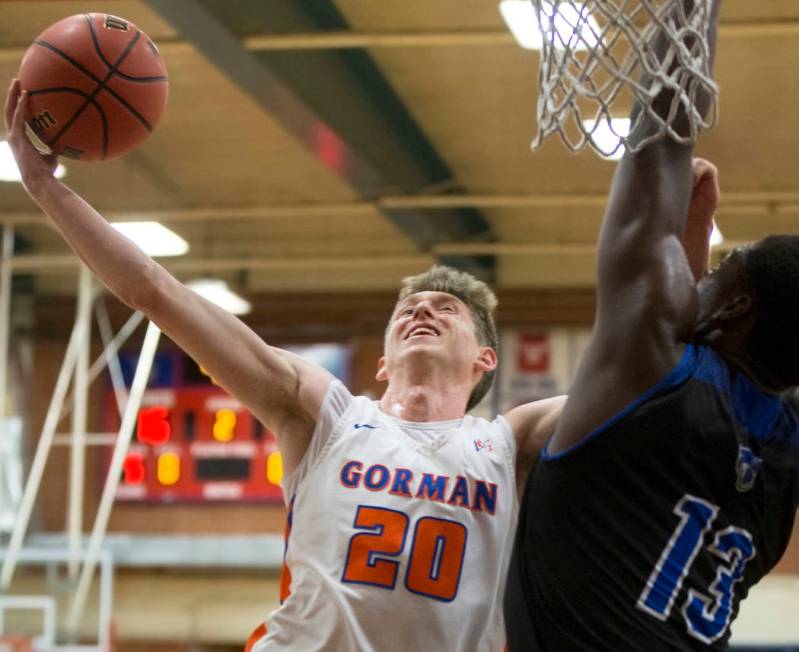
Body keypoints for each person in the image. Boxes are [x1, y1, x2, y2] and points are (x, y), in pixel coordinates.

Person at [4, 78, 568, 651]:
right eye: (408, 308)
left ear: (485, 357)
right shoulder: (328, 416)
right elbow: (156, 293)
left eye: (445, 308)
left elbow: (642, 380)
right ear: (381, 362)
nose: (422, 310)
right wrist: (44, 188)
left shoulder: (509, 443)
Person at [505, 1, 799, 649]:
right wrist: (695, 244)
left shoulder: (652, 363)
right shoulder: (784, 450)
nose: (705, 274)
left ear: (732, 309)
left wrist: (692, 13)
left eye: (725, 268)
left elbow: (663, 129)